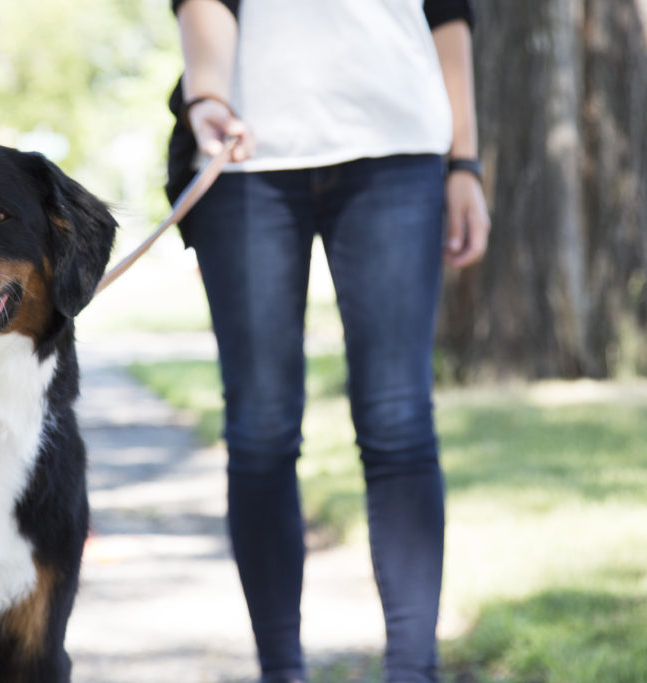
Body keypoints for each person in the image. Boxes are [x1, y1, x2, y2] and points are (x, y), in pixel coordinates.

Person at [165, 1, 490, 681]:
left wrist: (465, 162)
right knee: (259, 430)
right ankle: (280, 670)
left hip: (398, 146)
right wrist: (207, 99)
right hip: (245, 155)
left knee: (400, 422)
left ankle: (413, 668)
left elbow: (448, 11)